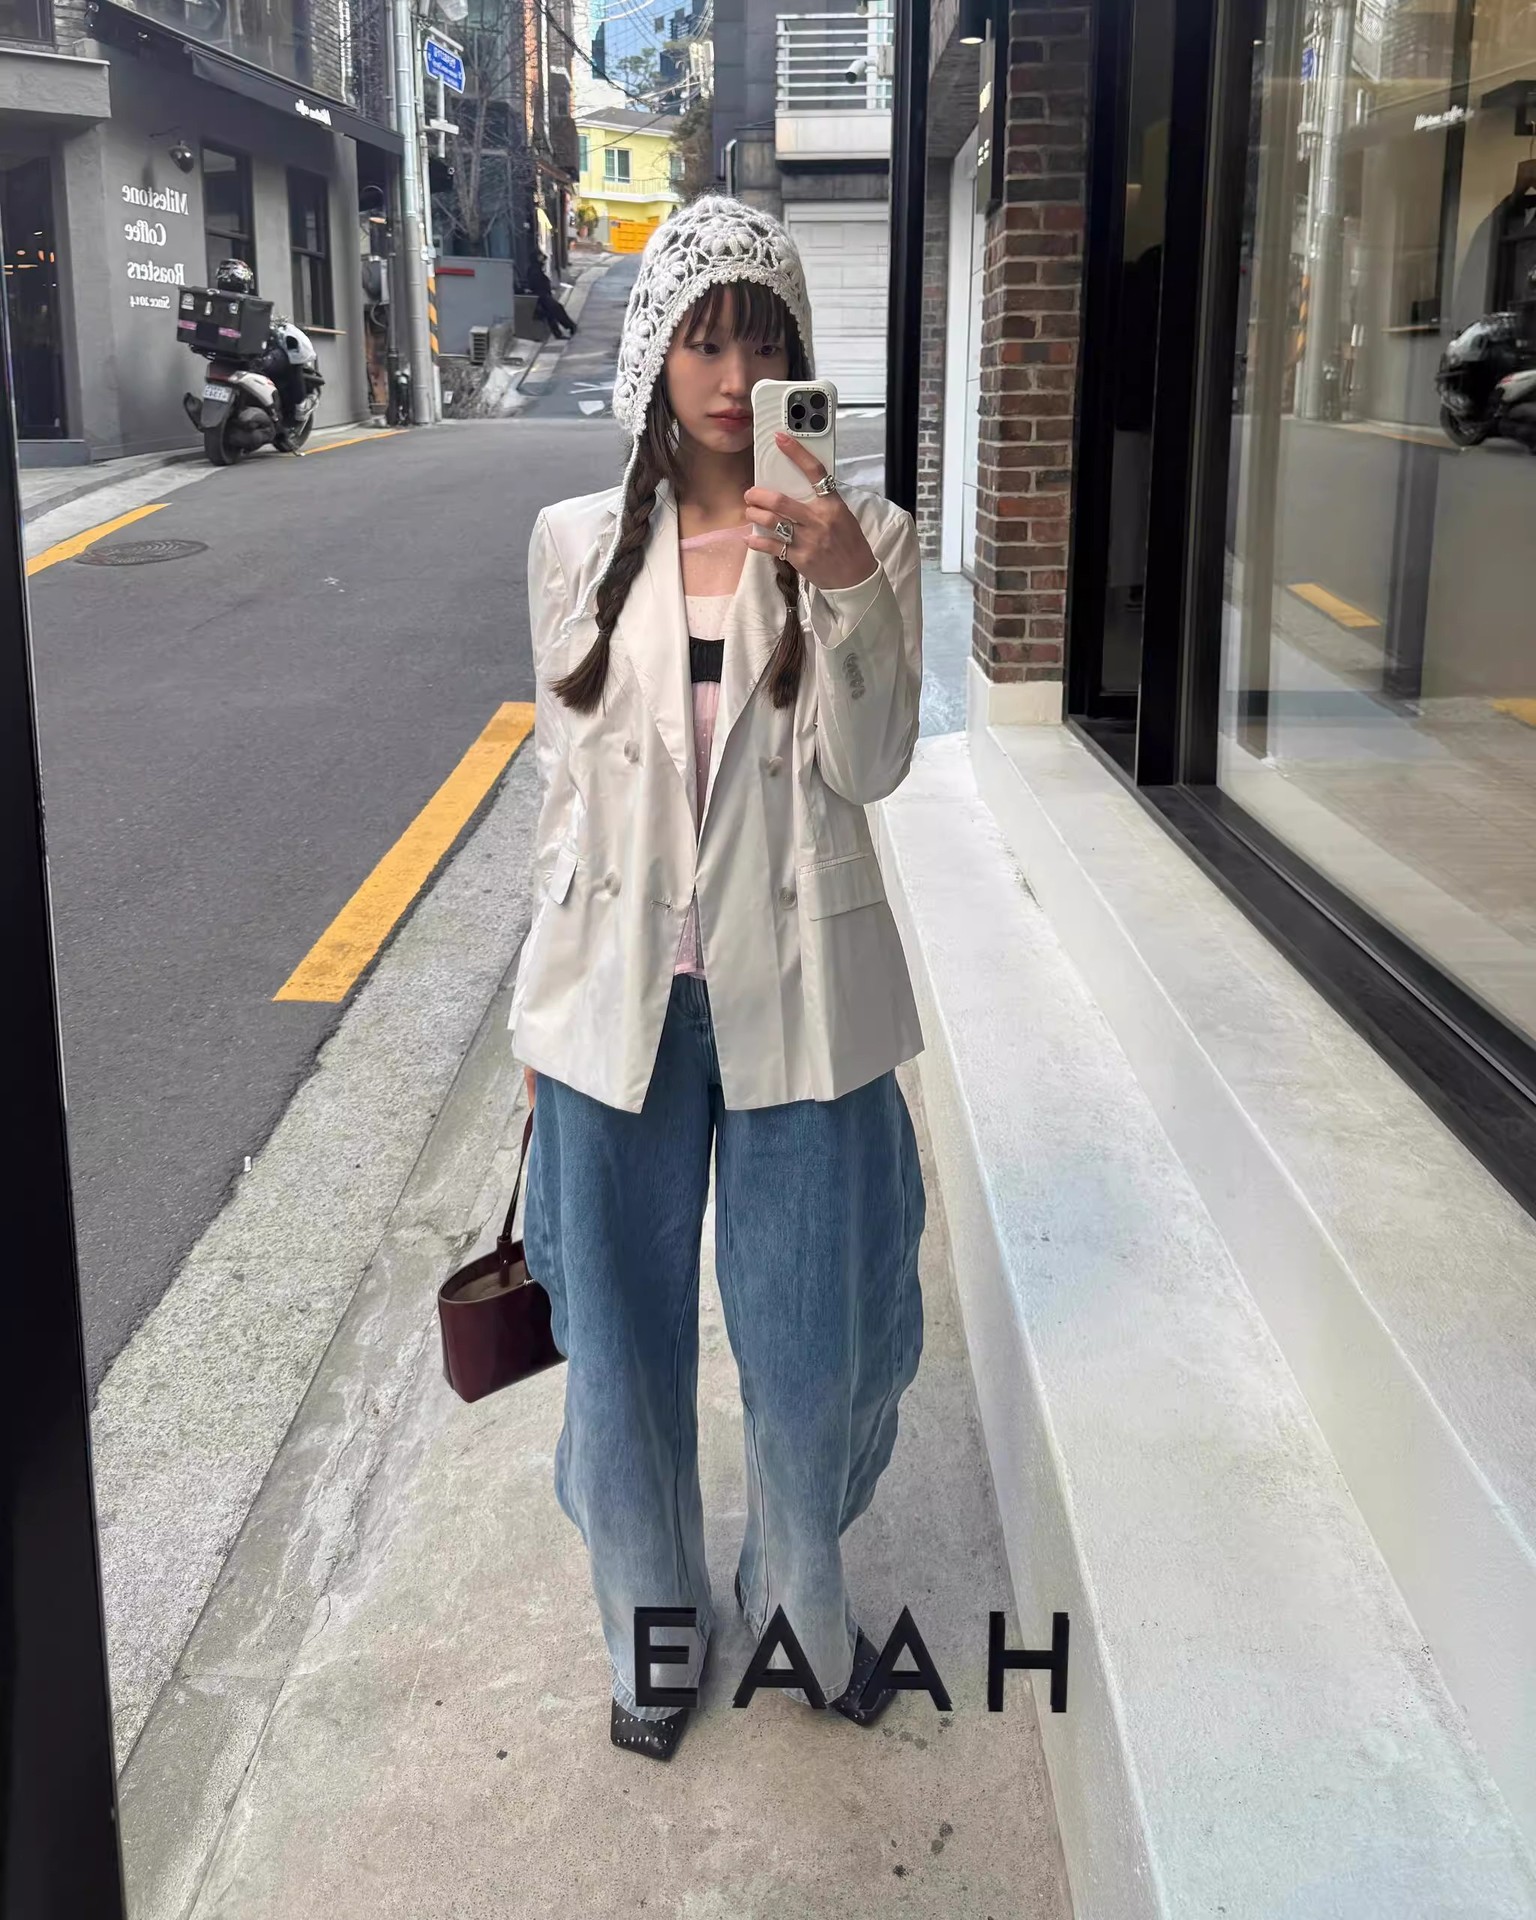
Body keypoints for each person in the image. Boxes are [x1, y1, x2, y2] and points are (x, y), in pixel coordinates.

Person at [508, 195, 928, 1762]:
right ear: (655, 354)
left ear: (798, 358)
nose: (734, 375)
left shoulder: (866, 536)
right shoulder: (572, 545)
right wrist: (537, 1021)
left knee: (814, 1344)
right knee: (619, 1349)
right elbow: (563, 797)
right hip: (614, 1001)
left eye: (762, 342)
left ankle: (802, 1610)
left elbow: (871, 767)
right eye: (704, 340)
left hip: (797, 993)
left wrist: (843, 581)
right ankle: (653, 1637)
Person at [525, 248, 578, 339]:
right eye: (539, 256)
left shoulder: (536, 268)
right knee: (555, 309)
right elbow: (537, 286)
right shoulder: (534, 270)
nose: (542, 258)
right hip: (541, 297)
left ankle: (563, 330)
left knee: (553, 311)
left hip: (543, 296)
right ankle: (570, 326)